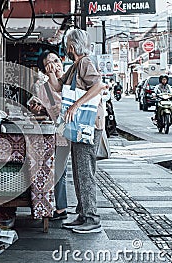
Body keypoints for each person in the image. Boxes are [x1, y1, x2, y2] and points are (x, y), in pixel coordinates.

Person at [46, 29, 105, 234]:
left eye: (67, 46)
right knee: (79, 171)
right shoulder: (75, 66)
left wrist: (75, 106)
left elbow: (99, 86)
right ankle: (82, 214)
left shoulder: (86, 62)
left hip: (88, 125)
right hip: (78, 126)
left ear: (71, 46)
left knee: (85, 171)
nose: (66, 49)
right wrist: (52, 71)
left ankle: (91, 217)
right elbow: (58, 87)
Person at [28, 50, 70, 220]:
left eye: (55, 60)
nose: (54, 64)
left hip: (66, 129)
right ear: (45, 70)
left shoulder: (69, 78)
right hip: (54, 130)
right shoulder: (44, 86)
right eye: (48, 64)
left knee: (59, 168)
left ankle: (61, 208)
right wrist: (37, 107)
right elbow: (51, 107)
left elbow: (60, 106)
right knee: (56, 168)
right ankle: (59, 206)